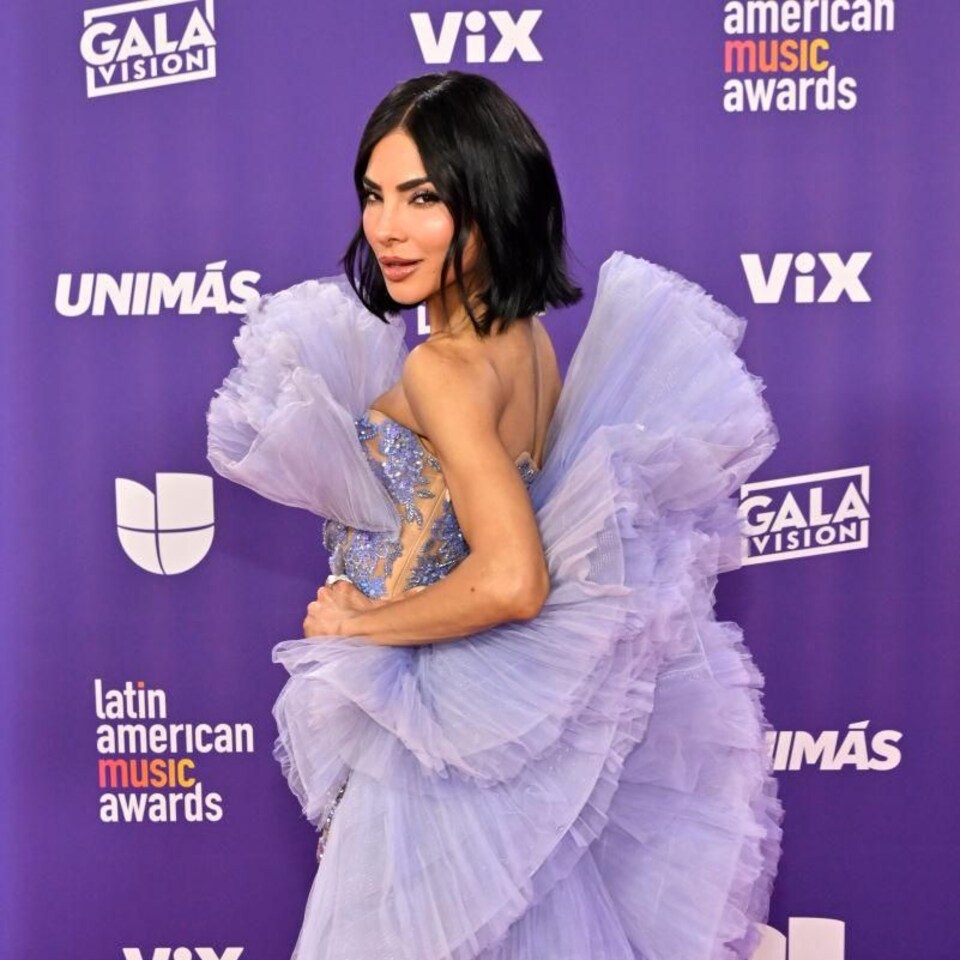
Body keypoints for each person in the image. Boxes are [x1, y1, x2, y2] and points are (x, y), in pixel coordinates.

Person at [207, 71, 783, 960]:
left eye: (423, 199)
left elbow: (515, 578)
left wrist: (366, 623)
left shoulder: (446, 369)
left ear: (490, 201)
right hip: (473, 745)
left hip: (429, 758)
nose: (388, 229)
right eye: (373, 195)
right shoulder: (524, 342)